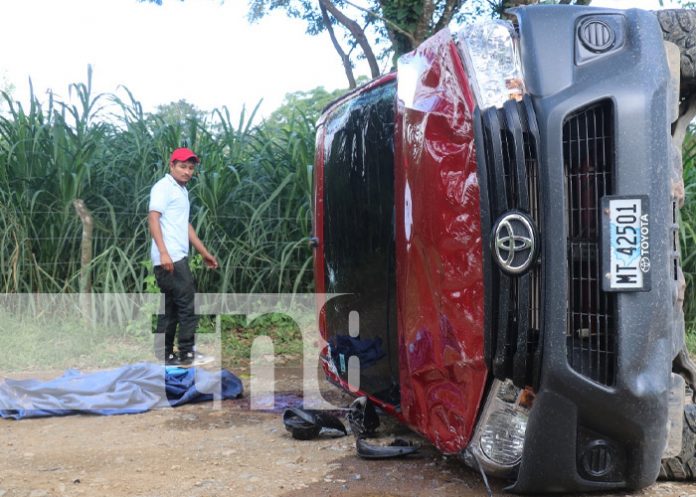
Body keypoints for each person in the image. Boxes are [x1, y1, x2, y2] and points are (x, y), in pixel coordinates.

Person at [148, 147, 218, 367]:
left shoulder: (182, 191)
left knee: (171, 307)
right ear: (171, 166)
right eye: (182, 166)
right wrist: (164, 252)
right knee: (187, 306)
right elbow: (153, 218)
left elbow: (185, 225)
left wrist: (204, 252)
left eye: (190, 168)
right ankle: (187, 354)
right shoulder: (163, 187)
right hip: (170, 257)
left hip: (177, 255)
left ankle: (165, 355)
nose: (187, 172)